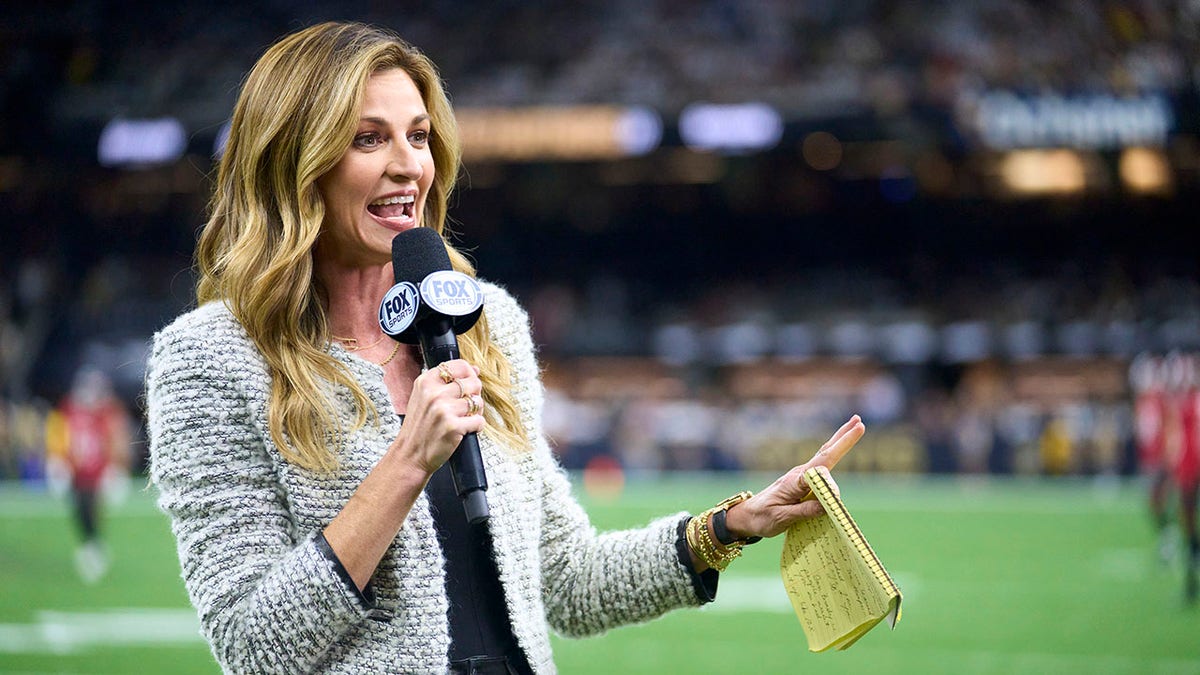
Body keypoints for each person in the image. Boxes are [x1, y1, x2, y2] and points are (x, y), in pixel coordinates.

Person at [145, 21, 866, 675]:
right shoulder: (210, 360)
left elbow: (571, 579)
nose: (409, 166)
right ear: (294, 164)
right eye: (368, 139)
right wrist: (405, 462)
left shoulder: (486, 325)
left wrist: (730, 524)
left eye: (420, 136)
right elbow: (253, 646)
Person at [45, 367, 131, 583]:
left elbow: (117, 439)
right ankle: (91, 547)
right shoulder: (66, 409)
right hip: (76, 471)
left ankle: (93, 548)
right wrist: (57, 461)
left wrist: (116, 468)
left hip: (98, 471)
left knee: (92, 509)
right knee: (80, 509)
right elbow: (58, 435)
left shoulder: (108, 412)